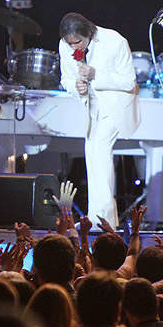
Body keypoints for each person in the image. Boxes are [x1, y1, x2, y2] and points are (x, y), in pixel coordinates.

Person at [58, 12, 140, 227]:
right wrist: (78, 88)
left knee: (100, 154)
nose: (74, 47)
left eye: (78, 42)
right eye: (70, 43)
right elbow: (66, 78)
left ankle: (103, 220)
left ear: (89, 33)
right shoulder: (64, 46)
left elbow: (129, 81)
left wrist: (95, 75)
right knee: (92, 157)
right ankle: (99, 218)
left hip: (115, 105)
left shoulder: (115, 41)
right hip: (92, 106)